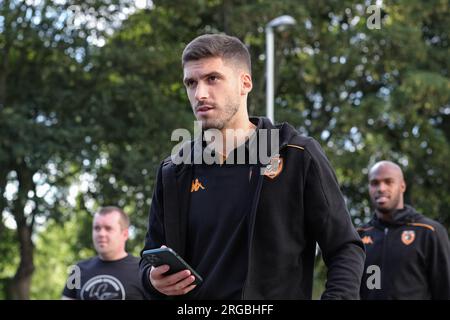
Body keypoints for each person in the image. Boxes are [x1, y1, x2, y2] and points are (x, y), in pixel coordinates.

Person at [139, 33, 365, 300]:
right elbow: (149, 260)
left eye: (212, 79)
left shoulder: (296, 155)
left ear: (245, 83)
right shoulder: (173, 171)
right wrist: (152, 281)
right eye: (191, 82)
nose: (200, 93)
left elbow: (345, 248)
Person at [358, 160, 450, 299]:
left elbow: (445, 290)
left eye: (388, 182)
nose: (381, 188)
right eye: (375, 183)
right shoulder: (359, 236)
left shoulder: (429, 231)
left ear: (402, 186)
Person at [62, 206, 147, 300]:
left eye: (108, 228)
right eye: (97, 228)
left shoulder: (143, 269)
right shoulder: (77, 270)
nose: (101, 234)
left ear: (125, 234)